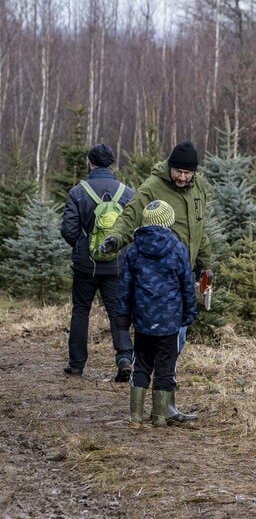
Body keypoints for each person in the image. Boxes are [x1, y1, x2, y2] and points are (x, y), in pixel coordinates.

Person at [99, 140, 211, 422]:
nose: (183, 177)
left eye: (188, 173)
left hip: (182, 276)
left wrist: (205, 264)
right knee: (168, 346)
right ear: (169, 167)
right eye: (178, 172)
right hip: (161, 286)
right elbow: (129, 216)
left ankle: (164, 405)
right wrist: (114, 238)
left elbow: (200, 229)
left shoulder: (199, 188)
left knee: (175, 345)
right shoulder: (152, 188)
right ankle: (164, 408)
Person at [115, 200, 198, 427]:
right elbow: (187, 285)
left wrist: (123, 317)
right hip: (170, 321)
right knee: (165, 367)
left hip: (143, 320)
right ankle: (159, 417)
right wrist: (190, 312)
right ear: (169, 221)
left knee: (141, 365)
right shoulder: (178, 248)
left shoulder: (133, 250)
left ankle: (134, 417)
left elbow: (125, 287)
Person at [60, 143, 136, 381]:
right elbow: (133, 229)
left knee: (81, 310)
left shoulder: (78, 192)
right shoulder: (127, 193)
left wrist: (82, 247)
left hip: (86, 265)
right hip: (116, 265)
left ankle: (76, 365)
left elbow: (69, 230)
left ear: (89, 162)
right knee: (117, 312)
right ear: (111, 163)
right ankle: (124, 357)